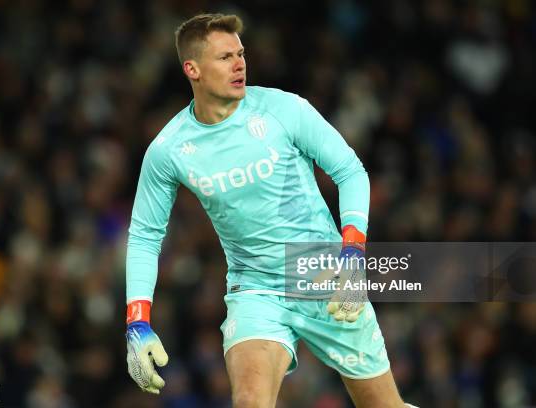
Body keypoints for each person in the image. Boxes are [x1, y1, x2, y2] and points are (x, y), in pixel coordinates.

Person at [126, 13, 416, 408]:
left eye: (241, 54)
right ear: (192, 69)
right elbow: (145, 236)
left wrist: (353, 253)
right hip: (256, 289)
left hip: (325, 275)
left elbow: (351, 172)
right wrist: (137, 322)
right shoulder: (169, 149)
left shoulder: (284, 110)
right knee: (250, 402)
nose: (240, 63)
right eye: (225, 57)